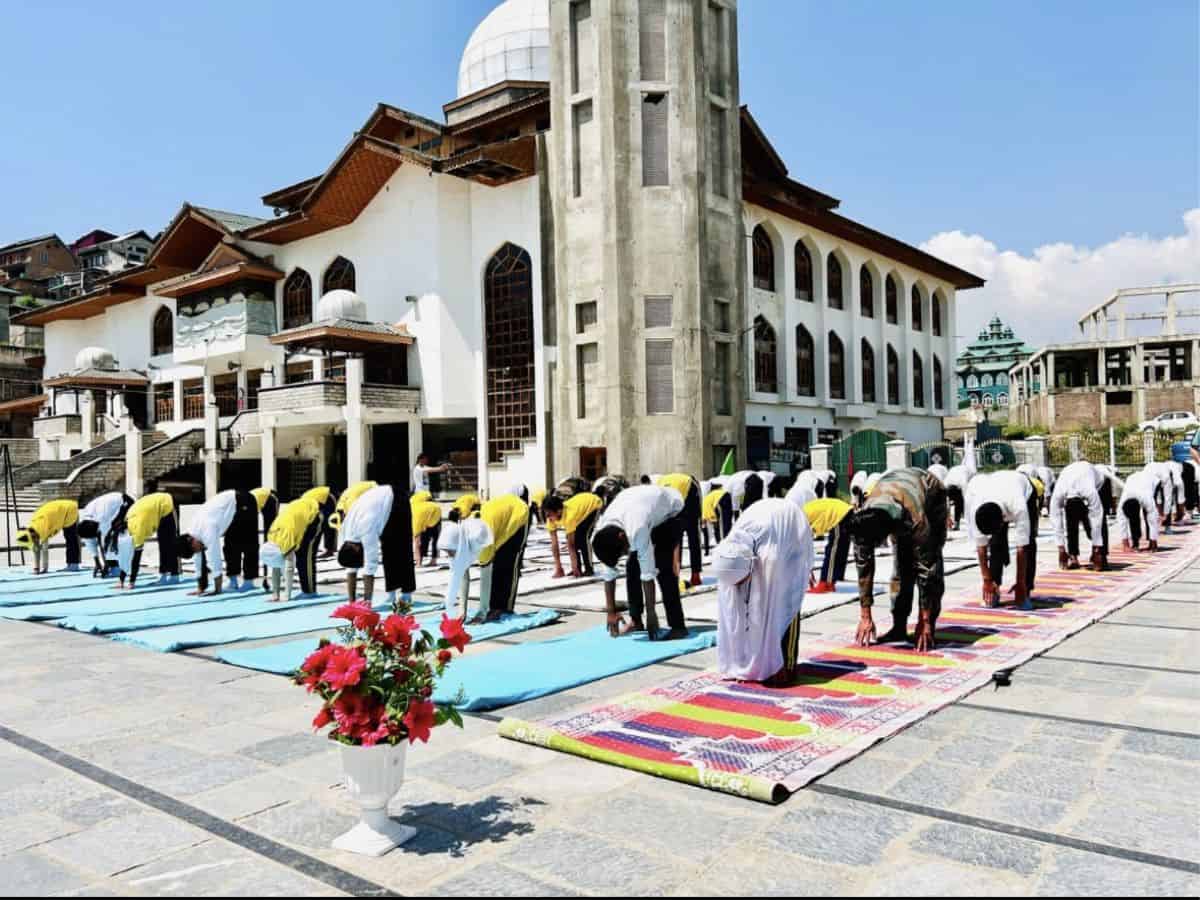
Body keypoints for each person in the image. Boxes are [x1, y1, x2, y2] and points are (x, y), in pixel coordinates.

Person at [713, 498, 814, 686]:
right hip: (765, 527)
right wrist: (743, 666)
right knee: (742, 604)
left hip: (791, 532)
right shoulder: (728, 551)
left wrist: (775, 665)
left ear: (751, 567)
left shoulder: (771, 560)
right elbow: (733, 614)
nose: (738, 587)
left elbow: (765, 611)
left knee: (785, 602)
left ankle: (787, 662)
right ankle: (754, 661)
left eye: (742, 581)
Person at [846, 468, 948, 652]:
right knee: (901, 567)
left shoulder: (916, 518)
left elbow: (927, 567)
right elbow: (863, 566)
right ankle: (899, 626)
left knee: (930, 563)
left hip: (932, 497)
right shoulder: (864, 520)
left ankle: (929, 625)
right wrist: (865, 615)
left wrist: (924, 620)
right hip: (895, 496)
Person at [590, 484, 688, 641]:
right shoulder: (600, 535)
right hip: (644, 507)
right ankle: (636, 620)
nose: (626, 553)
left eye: (623, 551)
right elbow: (608, 574)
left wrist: (652, 613)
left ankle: (678, 626)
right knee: (632, 567)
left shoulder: (637, 528)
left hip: (672, 512)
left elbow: (648, 574)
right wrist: (610, 612)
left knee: (663, 568)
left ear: (622, 536)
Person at [439, 492, 531, 622]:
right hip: (497, 519)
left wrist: (481, 614)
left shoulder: (480, 538)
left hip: (517, 512)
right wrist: (462, 612)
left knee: (506, 563)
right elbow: (462, 577)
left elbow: (485, 577)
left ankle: (504, 608)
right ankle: (494, 607)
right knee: (496, 561)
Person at [965, 470, 1038, 610]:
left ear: (1002, 521)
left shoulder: (1019, 505)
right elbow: (981, 547)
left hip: (1023, 488)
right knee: (996, 543)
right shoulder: (977, 508)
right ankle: (994, 589)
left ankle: (1025, 591)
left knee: (1029, 541)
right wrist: (987, 580)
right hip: (997, 489)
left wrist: (1020, 582)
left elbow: (1022, 548)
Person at [337, 482, 416, 607]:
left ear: (356, 549)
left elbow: (370, 565)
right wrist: (351, 603)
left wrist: (367, 602)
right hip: (378, 507)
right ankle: (391, 593)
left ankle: (407, 593)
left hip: (396, 498)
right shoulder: (344, 537)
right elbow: (350, 568)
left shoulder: (366, 530)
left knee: (402, 547)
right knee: (388, 551)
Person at [178, 489, 259, 596]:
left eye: (195, 549)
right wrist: (200, 588)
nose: (199, 550)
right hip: (231, 510)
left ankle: (249, 581)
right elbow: (198, 560)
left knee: (247, 542)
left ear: (191, 541)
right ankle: (233, 581)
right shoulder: (193, 535)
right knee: (230, 546)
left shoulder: (207, 530)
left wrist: (217, 589)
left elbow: (214, 557)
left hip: (244, 500)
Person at [259, 496, 324, 602]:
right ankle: (304, 588)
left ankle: (309, 591)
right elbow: (275, 566)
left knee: (305, 555)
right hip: (297, 512)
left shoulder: (285, 542)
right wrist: (275, 595)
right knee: (297, 554)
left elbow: (289, 569)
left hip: (314, 513)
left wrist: (287, 596)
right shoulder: (271, 539)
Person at [114, 492, 180, 589]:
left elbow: (136, 558)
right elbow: (126, 555)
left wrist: (132, 582)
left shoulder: (137, 531)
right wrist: (121, 580)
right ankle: (164, 575)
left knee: (169, 543)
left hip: (167, 504)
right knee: (163, 543)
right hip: (153, 507)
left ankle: (174, 575)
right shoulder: (127, 522)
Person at [1051, 460, 1108, 571]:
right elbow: (1055, 518)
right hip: (1073, 484)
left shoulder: (1091, 489)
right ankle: (1073, 557)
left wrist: (1097, 549)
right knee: (1071, 526)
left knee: (1096, 526)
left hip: (1094, 484)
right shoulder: (1059, 492)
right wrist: (1061, 549)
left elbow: (1097, 519)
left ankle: (1102, 556)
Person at [542, 490, 603, 577]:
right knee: (575, 539)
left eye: (549, 514)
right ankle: (578, 568)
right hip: (579, 509)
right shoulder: (550, 518)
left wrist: (574, 568)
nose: (547, 517)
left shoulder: (569, 517)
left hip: (593, 504)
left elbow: (571, 545)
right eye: (546, 514)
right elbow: (554, 545)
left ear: (559, 511)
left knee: (583, 537)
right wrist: (559, 568)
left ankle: (589, 568)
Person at [658, 473, 704, 587]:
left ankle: (675, 574)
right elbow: (700, 500)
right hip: (689, 502)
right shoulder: (691, 481)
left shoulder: (661, 480)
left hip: (671, 508)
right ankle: (695, 575)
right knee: (694, 539)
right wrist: (700, 516)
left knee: (675, 542)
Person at [16, 499, 81, 575]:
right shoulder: (33, 529)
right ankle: (73, 563)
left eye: (33, 540)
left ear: (33, 536)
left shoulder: (42, 527)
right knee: (70, 537)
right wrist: (38, 568)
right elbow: (36, 548)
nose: (34, 542)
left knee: (71, 537)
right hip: (62, 510)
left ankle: (73, 565)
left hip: (69, 509)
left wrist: (42, 568)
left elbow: (43, 548)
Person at [804, 496, 853, 594]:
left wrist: (807, 570)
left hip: (839, 515)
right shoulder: (799, 515)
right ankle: (833, 579)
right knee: (840, 548)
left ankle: (826, 583)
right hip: (844, 512)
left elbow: (806, 548)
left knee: (832, 551)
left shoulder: (798, 520)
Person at [77, 491, 132, 576]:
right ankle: (113, 564)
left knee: (117, 535)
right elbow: (89, 542)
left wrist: (107, 564)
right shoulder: (84, 521)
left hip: (126, 502)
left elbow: (106, 542)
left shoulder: (103, 518)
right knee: (108, 540)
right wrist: (97, 562)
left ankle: (116, 566)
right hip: (110, 506)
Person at [1117, 470, 1160, 552]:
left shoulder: (1147, 499)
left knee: (1149, 516)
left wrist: (1154, 542)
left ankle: (1152, 542)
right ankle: (1135, 544)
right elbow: (1122, 524)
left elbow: (1154, 520)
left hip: (1152, 480)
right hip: (1133, 479)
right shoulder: (1122, 505)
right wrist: (1125, 545)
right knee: (1133, 521)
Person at [300, 485, 339, 558]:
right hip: (323, 498)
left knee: (327, 524)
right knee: (320, 524)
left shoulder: (303, 504)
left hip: (327, 498)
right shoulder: (303, 502)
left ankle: (329, 550)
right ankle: (330, 548)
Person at [411, 493, 443, 566]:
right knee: (435, 540)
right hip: (436, 513)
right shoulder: (422, 498)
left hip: (422, 516)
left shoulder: (413, 507)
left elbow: (417, 542)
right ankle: (434, 560)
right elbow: (429, 497)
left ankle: (419, 562)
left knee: (419, 542)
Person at [701, 480, 733, 552]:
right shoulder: (708, 498)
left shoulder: (705, 513)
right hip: (726, 496)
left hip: (721, 499)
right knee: (727, 523)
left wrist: (714, 521)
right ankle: (728, 543)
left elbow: (708, 529)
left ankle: (723, 546)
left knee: (722, 526)